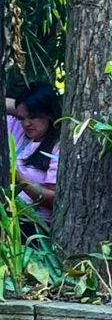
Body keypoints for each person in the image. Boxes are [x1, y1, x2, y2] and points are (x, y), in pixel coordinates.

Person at [6, 82, 61, 223]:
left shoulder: (58, 146)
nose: (26, 124)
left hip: (33, 226)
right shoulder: (17, 129)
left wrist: (17, 178)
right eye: (22, 118)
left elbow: (54, 199)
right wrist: (23, 105)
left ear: (49, 114)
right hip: (8, 220)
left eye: (33, 117)